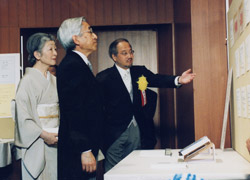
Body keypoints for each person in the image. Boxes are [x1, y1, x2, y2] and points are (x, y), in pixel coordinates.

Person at [96, 38, 196, 172]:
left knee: (134, 169)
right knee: (113, 172)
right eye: (124, 53)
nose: (130, 56)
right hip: (114, 134)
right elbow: (97, 108)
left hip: (138, 130)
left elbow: (157, 79)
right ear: (114, 57)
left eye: (131, 52)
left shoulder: (139, 72)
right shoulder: (103, 77)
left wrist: (178, 79)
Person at [56, 16, 104, 180]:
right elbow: (74, 111)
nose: (95, 36)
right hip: (77, 150)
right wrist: (85, 149)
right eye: (90, 32)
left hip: (85, 145)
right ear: (76, 39)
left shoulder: (79, 64)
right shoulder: (72, 66)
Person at [14, 33, 59, 179]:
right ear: (37, 54)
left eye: (55, 49)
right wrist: (44, 135)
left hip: (56, 140)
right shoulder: (27, 82)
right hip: (38, 141)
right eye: (50, 49)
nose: (55, 53)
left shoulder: (54, 80)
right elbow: (23, 117)